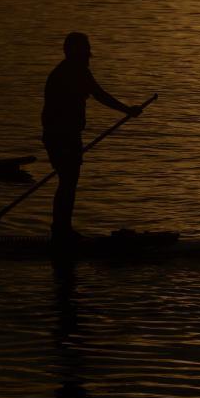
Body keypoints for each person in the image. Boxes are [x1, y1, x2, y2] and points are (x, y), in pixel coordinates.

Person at [41, 32, 143, 244]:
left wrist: (126, 110)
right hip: (60, 137)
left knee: (68, 181)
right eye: (85, 50)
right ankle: (61, 232)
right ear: (74, 52)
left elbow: (97, 94)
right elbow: (99, 95)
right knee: (67, 181)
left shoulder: (77, 71)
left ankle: (61, 230)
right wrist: (126, 110)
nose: (89, 54)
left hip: (66, 136)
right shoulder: (69, 73)